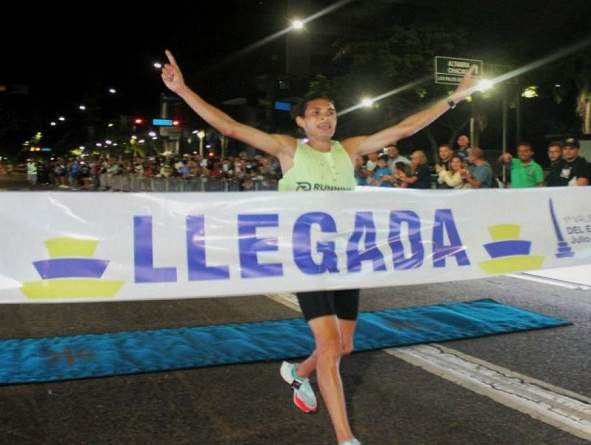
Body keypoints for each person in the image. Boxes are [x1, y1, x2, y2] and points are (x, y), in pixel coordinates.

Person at [161, 49, 478, 445]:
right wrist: (183, 89)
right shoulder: (288, 150)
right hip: (306, 260)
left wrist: (454, 98)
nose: (325, 116)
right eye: (315, 113)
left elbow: (404, 129)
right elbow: (228, 126)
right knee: (329, 346)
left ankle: (299, 372)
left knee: (344, 346)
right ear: (301, 122)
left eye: (330, 111)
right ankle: (345, 438)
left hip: (346, 259)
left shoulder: (351, 149)